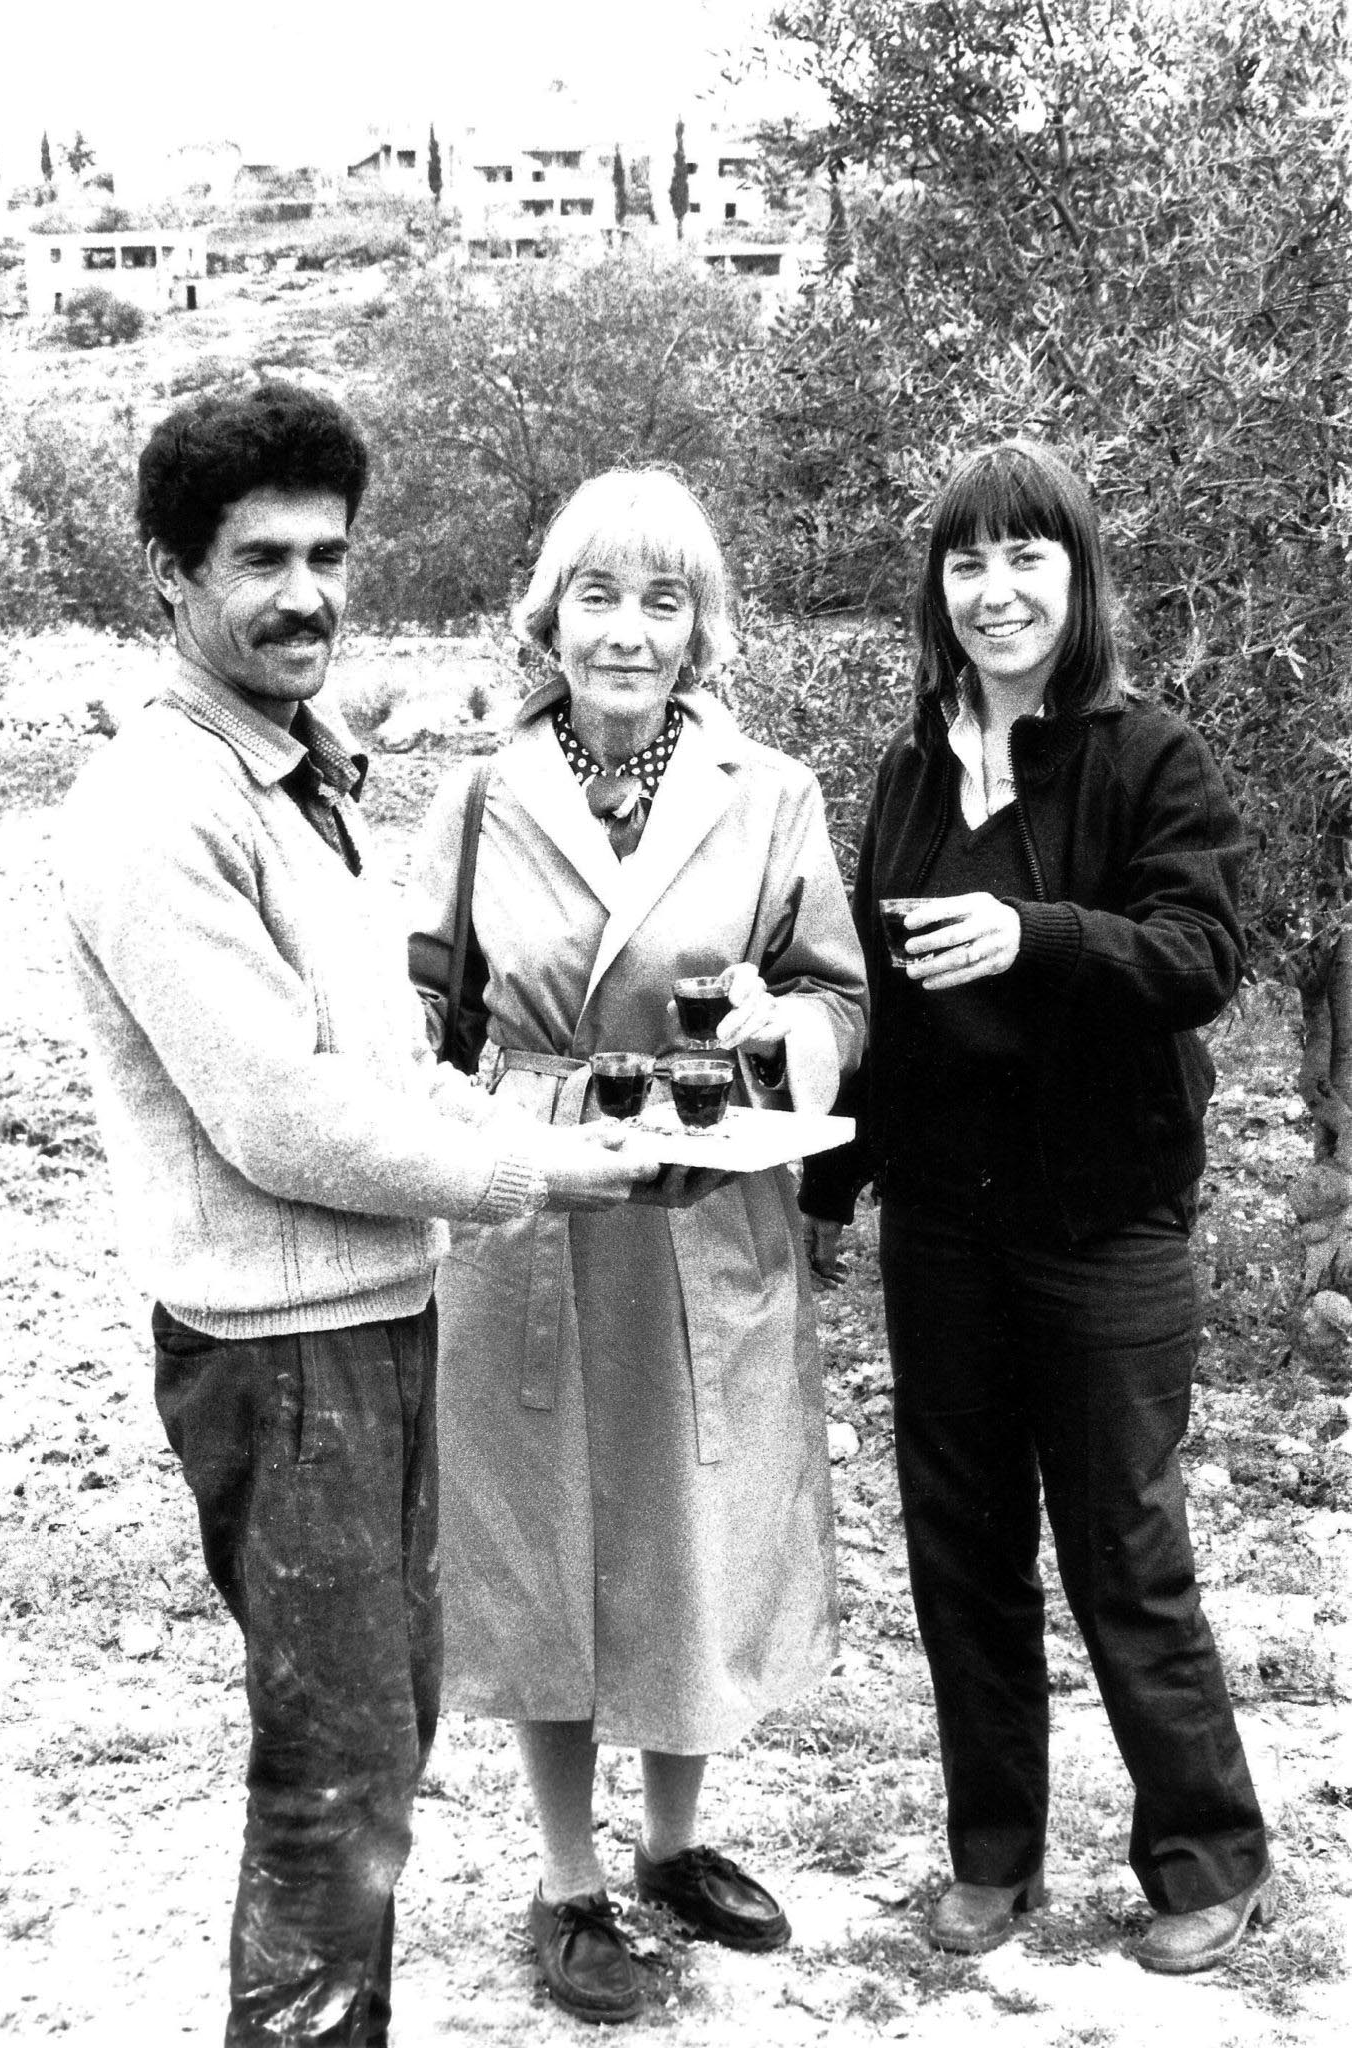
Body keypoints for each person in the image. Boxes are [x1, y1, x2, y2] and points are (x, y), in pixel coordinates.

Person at [58, 384, 660, 2048]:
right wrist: (526, 1175)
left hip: (372, 1325)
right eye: (260, 557)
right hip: (281, 1353)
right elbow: (279, 1115)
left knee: (378, 1741)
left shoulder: (295, 774)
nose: (306, 590)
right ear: (164, 578)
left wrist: (518, 1121)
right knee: (334, 1779)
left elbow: (379, 1058)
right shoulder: (155, 805)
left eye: (328, 552)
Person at [801, 439, 1272, 1975]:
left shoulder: (1149, 758)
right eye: (965, 563)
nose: (995, 591)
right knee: (961, 1546)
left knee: (1123, 1548)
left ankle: (1204, 1852)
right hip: (942, 1223)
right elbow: (884, 998)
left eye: (1026, 558)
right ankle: (989, 1854)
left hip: (1106, 1222)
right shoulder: (906, 767)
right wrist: (829, 1187)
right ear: (937, 592)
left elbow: (1199, 956)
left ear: (1077, 578)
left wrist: (1038, 936)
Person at [406, 468, 867, 2024]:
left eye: (662, 600)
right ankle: (566, 1882)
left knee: (694, 1522)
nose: (627, 630)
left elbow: (837, 998)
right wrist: (430, 1119)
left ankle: (672, 1847)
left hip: (702, 1207)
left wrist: (779, 1023)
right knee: (537, 1540)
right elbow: (422, 997)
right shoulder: (478, 791)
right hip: (536, 1205)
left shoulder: (772, 790)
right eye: (599, 594)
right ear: (552, 611)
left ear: (700, 626)